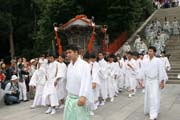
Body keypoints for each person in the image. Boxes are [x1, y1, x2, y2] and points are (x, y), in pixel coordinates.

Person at [64, 44, 91, 120]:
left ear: (76, 52)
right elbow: (69, 81)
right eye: (67, 53)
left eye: (70, 52)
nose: (68, 55)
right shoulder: (69, 66)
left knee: (80, 117)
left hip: (79, 97)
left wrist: (83, 96)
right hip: (70, 97)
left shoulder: (84, 65)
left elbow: (86, 81)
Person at [140, 46, 166, 120]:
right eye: (148, 51)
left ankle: (153, 113)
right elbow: (142, 71)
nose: (149, 52)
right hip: (148, 80)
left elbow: (161, 71)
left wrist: (162, 81)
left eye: (151, 51)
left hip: (155, 81)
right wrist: (142, 81)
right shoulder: (145, 61)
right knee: (148, 96)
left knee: (154, 97)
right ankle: (148, 110)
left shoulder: (158, 60)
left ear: (154, 52)